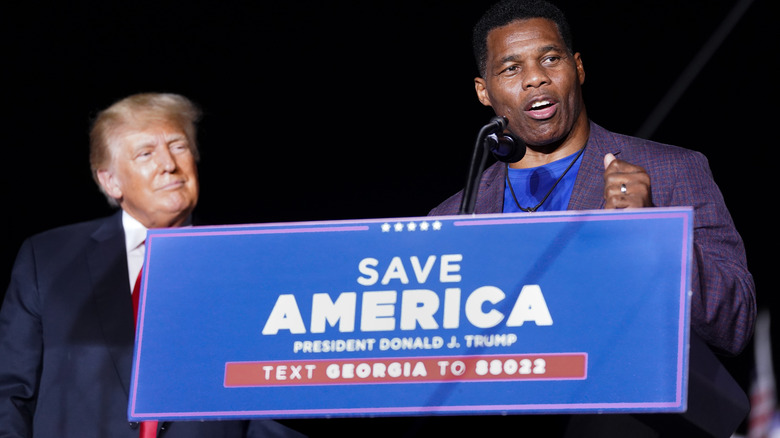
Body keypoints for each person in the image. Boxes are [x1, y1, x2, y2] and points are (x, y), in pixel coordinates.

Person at [427, 1, 756, 435]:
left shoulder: (671, 171)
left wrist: (655, 231)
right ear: (483, 91)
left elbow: (735, 323)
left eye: (550, 58)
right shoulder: (453, 216)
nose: (535, 77)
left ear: (577, 68)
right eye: (511, 68)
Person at [0, 93, 306, 438]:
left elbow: (277, 405)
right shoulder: (48, 258)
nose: (169, 164)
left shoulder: (250, 263)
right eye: (146, 153)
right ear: (110, 181)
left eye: (178, 147)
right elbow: (9, 393)